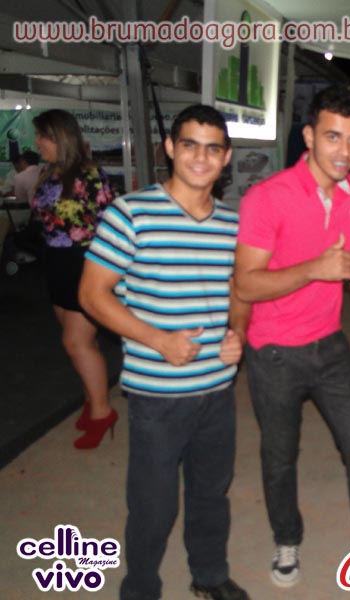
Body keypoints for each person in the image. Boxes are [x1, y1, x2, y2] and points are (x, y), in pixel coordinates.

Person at [79, 104, 251, 600]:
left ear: (226, 157)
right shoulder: (131, 213)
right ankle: (140, 588)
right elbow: (92, 295)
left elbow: (238, 292)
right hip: (157, 395)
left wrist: (237, 333)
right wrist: (159, 340)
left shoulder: (233, 224)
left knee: (211, 494)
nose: (201, 157)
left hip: (217, 390)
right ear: (171, 148)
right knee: (153, 505)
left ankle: (209, 576)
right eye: (190, 144)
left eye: (213, 148)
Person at [234, 84, 350, 588]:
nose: (344, 151)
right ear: (308, 137)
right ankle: (287, 539)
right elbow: (246, 284)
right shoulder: (267, 198)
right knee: (280, 457)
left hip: (330, 344)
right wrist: (313, 270)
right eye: (332, 137)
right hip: (274, 352)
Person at [31, 109, 115, 449]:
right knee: (80, 344)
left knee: (75, 342)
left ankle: (103, 413)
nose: (37, 142)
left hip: (85, 263)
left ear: (60, 137)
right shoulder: (49, 173)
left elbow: (111, 225)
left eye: (43, 136)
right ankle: (93, 401)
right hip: (56, 263)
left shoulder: (90, 175)